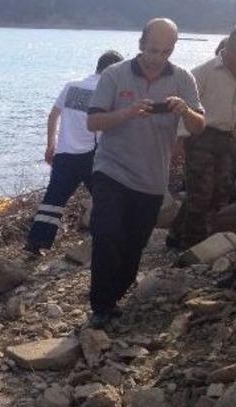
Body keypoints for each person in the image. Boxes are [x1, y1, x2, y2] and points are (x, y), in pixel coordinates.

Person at [85, 18, 205, 328]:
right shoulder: (115, 74)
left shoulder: (183, 78)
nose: (157, 58)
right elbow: (93, 122)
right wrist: (127, 113)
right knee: (107, 233)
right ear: (141, 44)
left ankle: (114, 296)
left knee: (134, 244)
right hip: (111, 169)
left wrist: (184, 112)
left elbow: (199, 126)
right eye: (153, 50)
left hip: (152, 178)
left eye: (165, 52)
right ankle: (100, 306)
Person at [24, 50, 124, 255]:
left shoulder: (72, 86)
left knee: (53, 200)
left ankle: (35, 243)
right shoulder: (108, 92)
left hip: (65, 153)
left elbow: (53, 115)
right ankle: (110, 238)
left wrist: (50, 144)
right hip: (93, 155)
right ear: (113, 71)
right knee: (106, 197)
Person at [167, 29, 236, 250]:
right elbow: (183, 107)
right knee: (201, 193)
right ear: (229, 49)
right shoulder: (204, 72)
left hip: (228, 138)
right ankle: (190, 246)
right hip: (202, 136)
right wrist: (178, 140)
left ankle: (177, 233)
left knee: (221, 193)